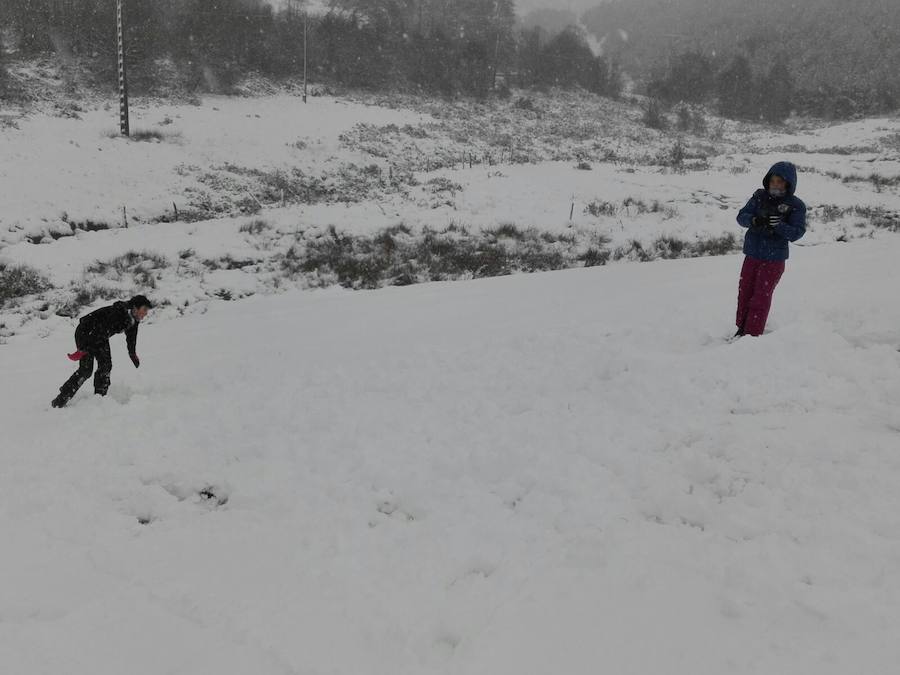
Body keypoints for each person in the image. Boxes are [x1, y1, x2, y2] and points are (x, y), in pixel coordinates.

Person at [734, 161, 806, 337]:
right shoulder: (759, 197)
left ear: (788, 184)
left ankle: (752, 334)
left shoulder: (796, 205)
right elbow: (741, 216)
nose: (775, 184)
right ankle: (741, 329)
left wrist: (779, 226)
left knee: (761, 296)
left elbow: (797, 232)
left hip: (774, 259)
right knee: (745, 292)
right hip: (752, 254)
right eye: (773, 180)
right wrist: (754, 220)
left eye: (780, 181)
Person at [51, 295, 153, 408]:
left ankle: (99, 398)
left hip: (101, 336)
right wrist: (84, 349)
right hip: (86, 333)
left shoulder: (134, 319)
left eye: (147, 311)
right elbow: (98, 330)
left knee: (106, 366)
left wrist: (132, 354)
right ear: (135, 307)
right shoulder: (118, 313)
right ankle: (60, 400)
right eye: (144, 309)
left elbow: (131, 337)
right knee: (86, 370)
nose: (145, 313)